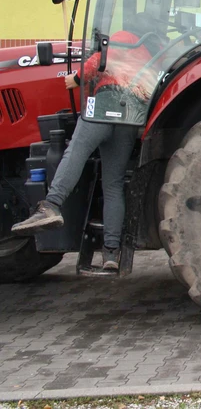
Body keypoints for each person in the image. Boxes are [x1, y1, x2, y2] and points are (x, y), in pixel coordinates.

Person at [12, 29, 155, 271]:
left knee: (75, 152)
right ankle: (111, 252)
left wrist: (77, 78)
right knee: (113, 184)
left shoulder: (124, 36)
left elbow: (101, 60)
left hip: (104, 106)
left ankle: (52, 205)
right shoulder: (147, 50)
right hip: (129, 117)